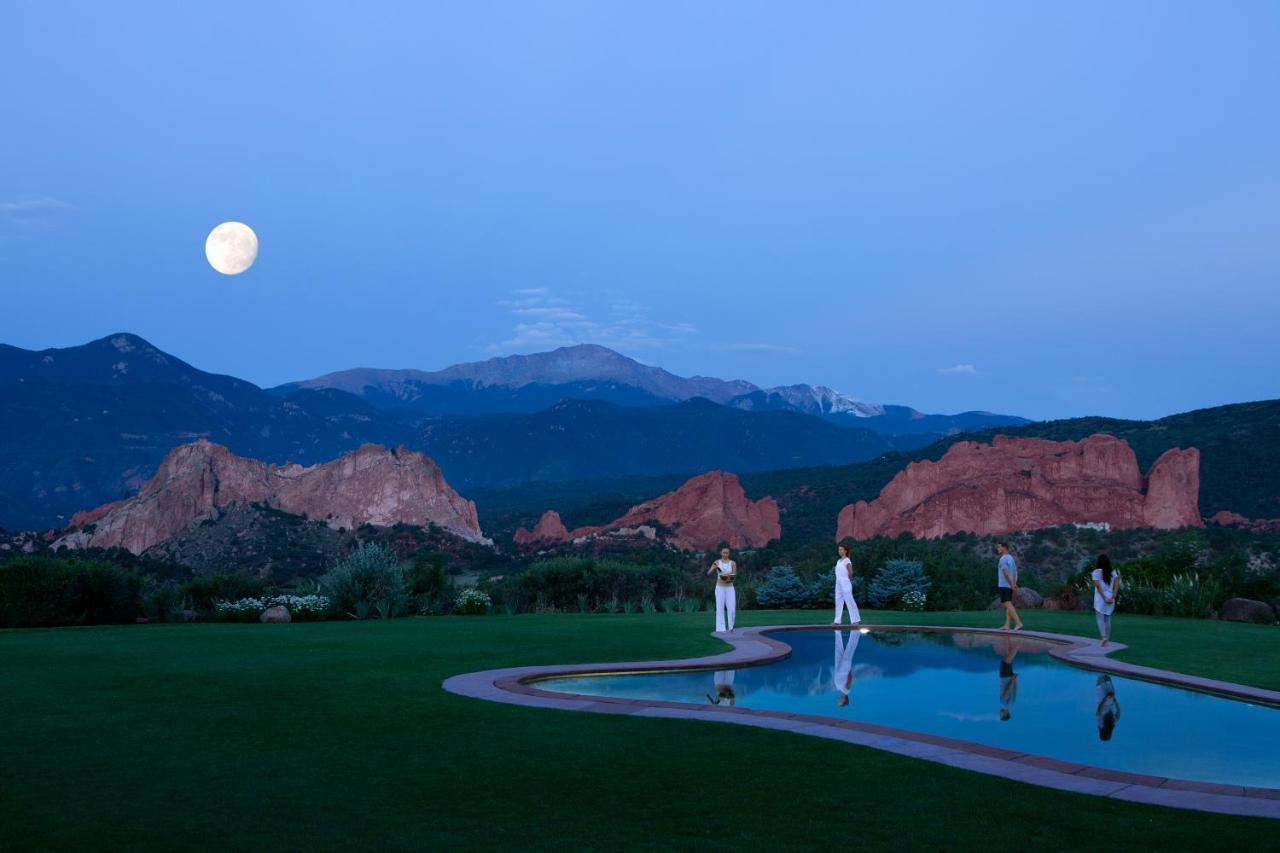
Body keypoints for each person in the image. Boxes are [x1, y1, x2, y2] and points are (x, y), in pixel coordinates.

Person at [1091, 554, 1121, 646]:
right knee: (1107, 619)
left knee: (1100, 619)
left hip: (1100, 598)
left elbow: (1098, 586)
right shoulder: (1113, 572)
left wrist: (1104, 597)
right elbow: (1116, 585)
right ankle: (1107, 639)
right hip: (1110, 596)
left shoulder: (1096, 572)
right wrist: (1113, 597)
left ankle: (1104, 637)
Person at [706, 547, 737, 633]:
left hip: (730, 588)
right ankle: (721, 628)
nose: (725, 554)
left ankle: (731, 627)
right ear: (721, 553)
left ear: (729, 554)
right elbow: (708, 573)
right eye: (724, 552)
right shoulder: (717, 562)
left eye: (727, 553)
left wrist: (726, 579)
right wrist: (713, 568)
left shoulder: (733, 563)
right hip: (719, 588)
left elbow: (734, 576)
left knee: (731, 608)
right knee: (720, 608)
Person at [996, 542, 1024, 631]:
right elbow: (1015, 572)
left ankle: (1018, 623)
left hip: (1004, 585)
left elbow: (1006, 574)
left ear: (1004, 548)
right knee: (1008, 605)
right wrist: (1014, 584)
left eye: (999, 547)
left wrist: (1012, 584)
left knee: (1007, 604)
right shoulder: (1011, 558)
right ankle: (1007, 625)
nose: (998, 548)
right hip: (1009, 585)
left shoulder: (1003, 559)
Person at [832, 543, 861, 626]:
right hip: (838, 583)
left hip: (845, 582)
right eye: (839, 549)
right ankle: (837, 621)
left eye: (841, 549)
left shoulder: (847, 560)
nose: (839, 551)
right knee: (838, 601)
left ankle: (856, 620)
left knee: (849, 600)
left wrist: (847, 580)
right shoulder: (838, 561)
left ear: (845, 551)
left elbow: (851, 572)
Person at [833, 629, 860, 707]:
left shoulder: (839, 688)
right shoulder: (846, 691)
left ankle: (837, 631)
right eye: (840, 702)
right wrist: (848, 669)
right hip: (845, 668)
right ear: (844, 700)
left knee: (838, 649)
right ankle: (855, 632)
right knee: (850, 648)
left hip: (838, 667)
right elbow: (850, 679)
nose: (838, 700)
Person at [1094, 674, 1121, 741]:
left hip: (1102, 697)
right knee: (1107, 676)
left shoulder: (1101, 724)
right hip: (1110, 699)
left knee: (1103, 676)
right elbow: (1118, 714)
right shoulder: (1111, 724)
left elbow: (1099, 710)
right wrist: (1114, 700)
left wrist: (1106, 698)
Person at [998, 635, 1019, 721]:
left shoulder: (1012, 703)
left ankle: (1008, 637)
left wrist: (1014, 679)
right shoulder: (1004, 704)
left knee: (1008, 657)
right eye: (1001, 715)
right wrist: (1013, 680)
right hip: (1005, 677)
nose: (999, 713)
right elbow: (1006, 691)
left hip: (1009, 677)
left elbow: (1016, 690)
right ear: (1006, 714)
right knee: (1006, 661)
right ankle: (1019, 641)